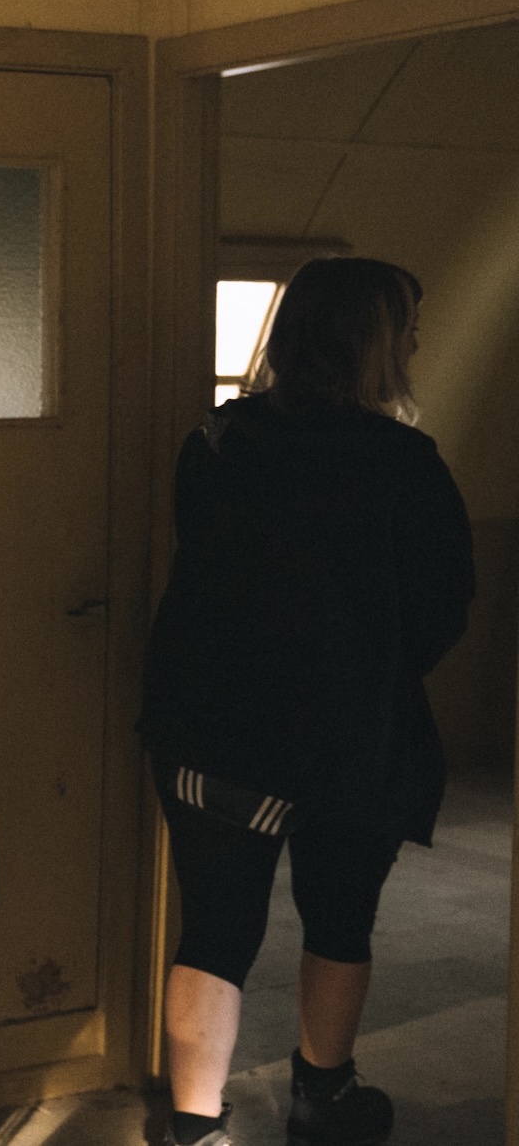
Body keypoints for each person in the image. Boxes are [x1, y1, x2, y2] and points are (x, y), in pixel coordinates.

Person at [141, 258, 472, 1146]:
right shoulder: (405, 463)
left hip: (211, 729)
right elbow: (444, 607)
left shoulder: (218, 440)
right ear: (373, 343)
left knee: (215, 931)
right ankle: (322, 1098)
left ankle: (194, 1127)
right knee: (340, 921)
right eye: (407, 330)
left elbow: (198, 567)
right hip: (351, 738)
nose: (415, 345)